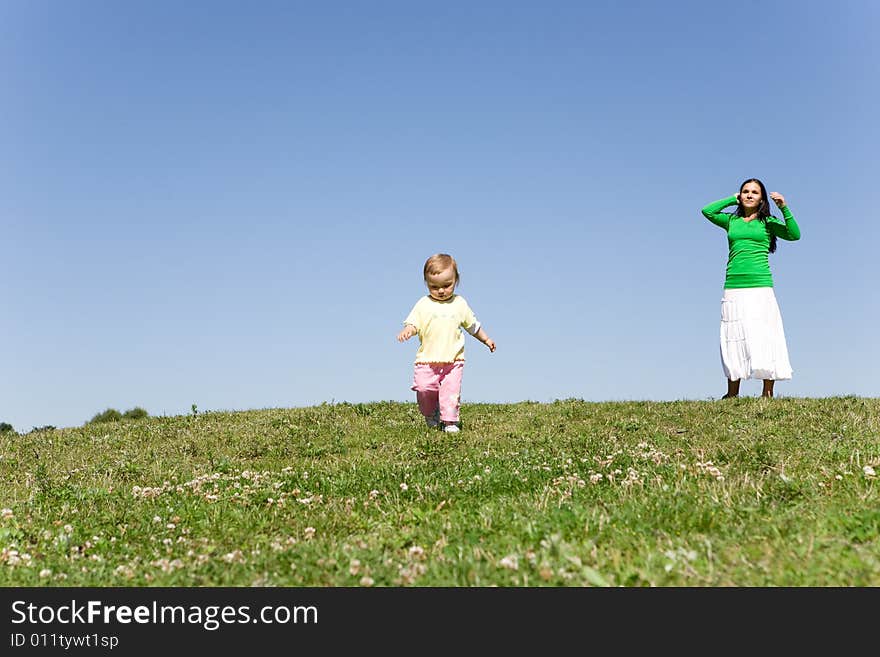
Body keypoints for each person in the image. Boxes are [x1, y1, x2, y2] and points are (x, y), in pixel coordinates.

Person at [701, 178, 801, 398]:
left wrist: (784, 207)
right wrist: (731, 198)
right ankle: (732, 392)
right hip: (733, 286)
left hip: (760, 286)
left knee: (765, 335)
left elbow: (794, 234)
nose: (749, 195)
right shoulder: (731, 221)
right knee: (733, 335)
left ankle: (767, 392)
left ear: (762, 198)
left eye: (754, 192)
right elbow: (707, 211)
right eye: (745, 191)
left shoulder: (768, 223)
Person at [397, 253, 496, 432]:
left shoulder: (459, 304)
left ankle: (450, 422)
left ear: (456, 280)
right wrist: (408, 331)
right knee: (424, 389)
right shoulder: (423, 304)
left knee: (450, 392)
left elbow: (473, 326)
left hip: (453, 361)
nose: (441, 291)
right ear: (426, 283)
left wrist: (486, 339)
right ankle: (430, 412)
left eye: (446, 285)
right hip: (426, 361)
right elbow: (414, 323)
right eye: (434, 286)